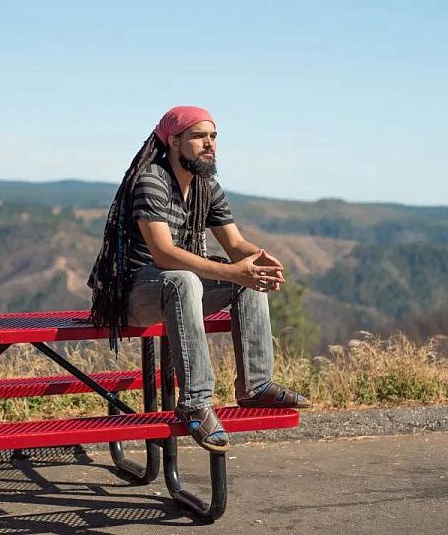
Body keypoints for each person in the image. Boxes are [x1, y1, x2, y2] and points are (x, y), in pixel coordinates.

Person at [87, 105, 309, 453]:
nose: (210, 144)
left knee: (245, 278)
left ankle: (254, 385)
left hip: (175, 288)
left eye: (213, 136)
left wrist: (256, 260)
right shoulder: (151, 181)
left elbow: (234, 244)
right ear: (174, 142)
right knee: (185, 279)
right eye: (199, 136)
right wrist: (232, 270)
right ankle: (195, 401)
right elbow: (163, 254)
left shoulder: (207, 187)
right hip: (134, 294)